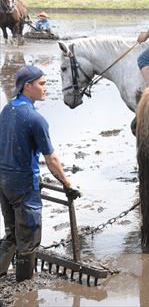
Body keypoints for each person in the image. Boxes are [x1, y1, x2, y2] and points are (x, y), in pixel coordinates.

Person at [0, 65, 80, 282]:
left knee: (12, 234)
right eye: (42, 84)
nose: (46, 88)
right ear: (27, 86)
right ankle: (25, 288)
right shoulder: (35, 119)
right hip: (24, 185)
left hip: (4, 182)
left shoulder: (7, 110)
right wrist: (67, 183)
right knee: (28, 239)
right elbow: (51, 159)